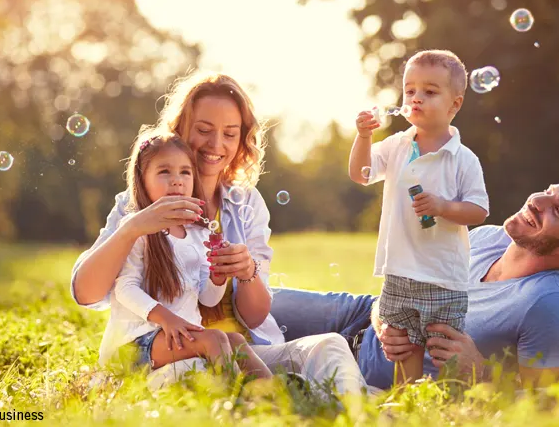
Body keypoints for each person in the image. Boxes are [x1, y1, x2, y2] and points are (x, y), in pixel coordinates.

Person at [71, 71, 366, 393]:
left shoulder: (246, 203)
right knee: (204, 375)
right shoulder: (139, 204)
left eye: (230, 133)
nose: (216, 145)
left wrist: (245, 271)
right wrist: (132, 228)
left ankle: (358, 414)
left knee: (330, 346)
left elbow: (253, 317)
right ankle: (269, 402)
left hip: (243, 348)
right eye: (203, 130)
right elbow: (86, 293)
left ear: (242, 139)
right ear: (180, 129)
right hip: (171, 353)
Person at [270, 174, 559, 389]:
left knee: (243, 358)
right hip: (361, 313)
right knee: (246, 300)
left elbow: (549, 407)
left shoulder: (550, 306)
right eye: (548, 191)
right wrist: (382, 314)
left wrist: (481, 373)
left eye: (557, 210)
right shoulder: (488, 237)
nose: (537, 201)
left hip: (367, 368)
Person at [350, 49, 489, 383]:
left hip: (443, 275)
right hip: (399, 270)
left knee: (445, 350)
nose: (416, 98)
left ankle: (453, 404)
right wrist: (364, 136)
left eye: (429, 91)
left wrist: (443, 207)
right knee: (403, 347)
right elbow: (361, 173)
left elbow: (479, 210)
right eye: (410, 90)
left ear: (454, 105)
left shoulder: (462, 159)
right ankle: (408, 402)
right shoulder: (397, 145)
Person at [109, 131, 271, 379]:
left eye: (185, 172)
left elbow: (207, 299)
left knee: (236, 340)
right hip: (137, 342)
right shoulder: (137, 228)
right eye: (164, 172)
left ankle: (277, 394)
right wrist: (167, 319)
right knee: (215, 338)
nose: (177, 180)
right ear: (142, 180)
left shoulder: (198, 233)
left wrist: (218, 276)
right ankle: (235, 402)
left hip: (180, 336)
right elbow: (124, 288)